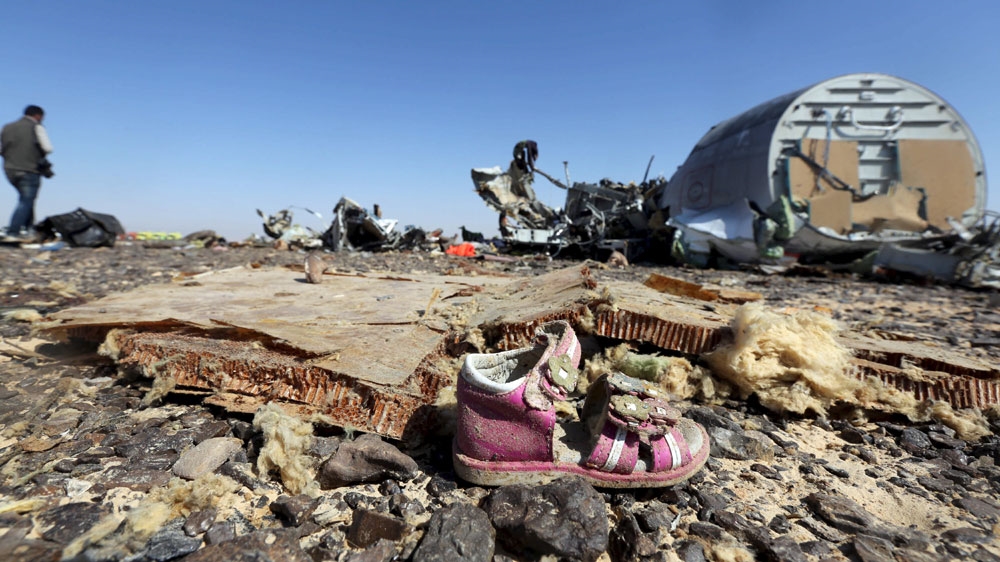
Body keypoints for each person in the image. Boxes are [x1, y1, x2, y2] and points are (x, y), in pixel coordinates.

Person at [2, 105, 53, 241]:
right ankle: (13, 232)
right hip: (29, 169)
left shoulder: (7, 127)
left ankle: (30, 231)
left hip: (10, 170)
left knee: (27, 200)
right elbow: (48, 148)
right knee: (26, 201)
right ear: (38, 116)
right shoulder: (36, 127)